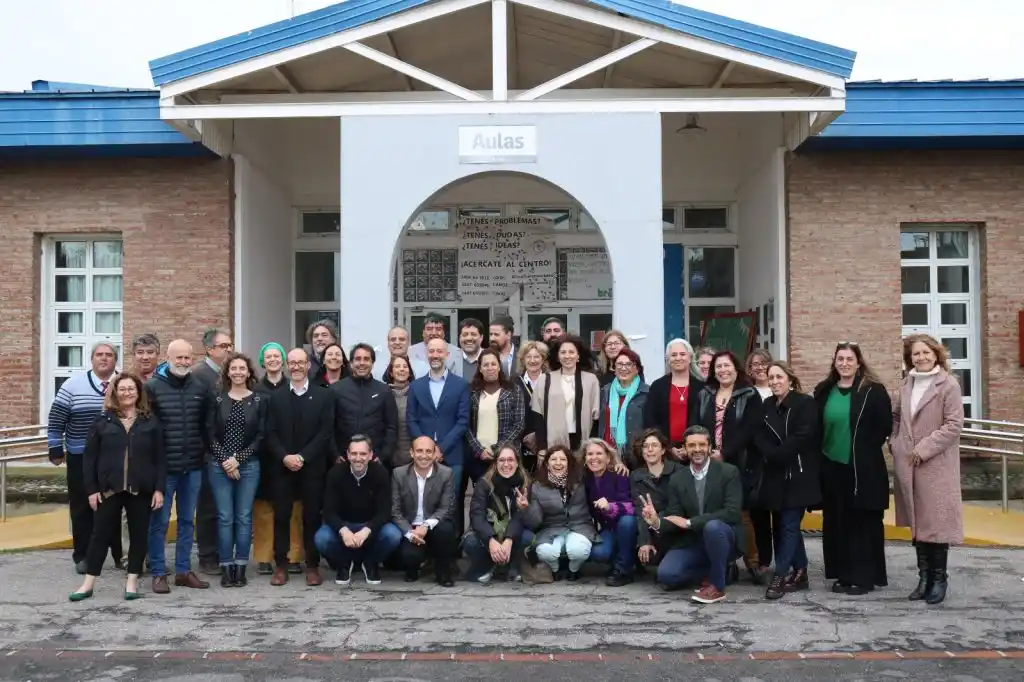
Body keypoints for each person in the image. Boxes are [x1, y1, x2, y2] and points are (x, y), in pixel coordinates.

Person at [69, 374, 164, 602]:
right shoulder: (102, 421)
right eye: (122, 389)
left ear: (138, 393)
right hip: (108, 489)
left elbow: (160, 458)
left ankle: (131, 581)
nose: (127, 393)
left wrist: (159, 489)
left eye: (131, 389)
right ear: (114, 392)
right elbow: (89, 458)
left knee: (139, 535)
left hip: (140, 489)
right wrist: (91, 490)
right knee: (99, 535)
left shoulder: (150, 422)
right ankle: (88, 583)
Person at [813, 342, 893, 595]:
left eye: (849, 359)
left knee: (863, 524)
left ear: (859, 362)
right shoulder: (824, 390)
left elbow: (884, 427)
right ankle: (844, 574)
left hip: (862, 469)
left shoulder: (873, 391)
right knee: (838, 522)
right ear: (834, 362)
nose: (844, 363)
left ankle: (864, 577)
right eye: (840, 359)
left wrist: (864, 452)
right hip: (832, 467)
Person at [891, 334, 964, 605]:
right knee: (918, 523)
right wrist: (895, 442)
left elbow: (954, 425)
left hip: (935, 464)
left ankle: (938, 578)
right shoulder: (907, 384)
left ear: (936, 354)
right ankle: (923, 578)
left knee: (936, 524)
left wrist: (924, 448)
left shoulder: (948, 385)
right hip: (908, 464)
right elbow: (896, 416)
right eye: (915, 354)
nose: (920, 358)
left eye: (925, 352)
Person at [641, 425, 744, 604]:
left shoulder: (728, 472)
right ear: (685, 448)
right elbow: (675, 516)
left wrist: (690, 522)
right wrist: (656, 522)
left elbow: (732, 513)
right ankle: (720, 571)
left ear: (710, 447)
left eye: (702, 445)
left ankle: (718, 587)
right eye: (692, 445)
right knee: (666, 575)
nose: (697, 449)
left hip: (722, 537)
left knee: (712, 526)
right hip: (693, 541)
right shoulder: (678, 479)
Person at [47, 342, 123, 574]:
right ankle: (83, 555)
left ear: (115, 360)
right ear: (91, 359)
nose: (104, 359)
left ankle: (120, 555)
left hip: (115, 459)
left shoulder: (125, 384)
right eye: (99, 355)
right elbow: (56, 418)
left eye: (109, 355)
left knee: (115, 508)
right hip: (80, 456)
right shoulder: (73, 385)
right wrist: (55, 448)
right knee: (82, 508)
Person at [145, 339, 213, 593]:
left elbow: (207, 425)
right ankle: (159, 573)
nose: (184, 362)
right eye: (179, 358)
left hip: (193, 465)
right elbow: (147, 428)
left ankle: (183, 570)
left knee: (187, 521)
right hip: (164, 469)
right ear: (168, 357)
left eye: (188, 358)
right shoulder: (152, 387)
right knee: (160, 522)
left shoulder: (200, 386)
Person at [752, 362, 821, 600]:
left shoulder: (805, 404)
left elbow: (803, 436)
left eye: (779, 377)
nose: (774, 381)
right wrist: (771, 455)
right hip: (774, 475)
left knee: (789, 525)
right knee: (784, 526)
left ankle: (780, 576)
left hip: (798, 475)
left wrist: (778, 455)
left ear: (790, 380)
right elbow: (758, 435)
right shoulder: (767, 405)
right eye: (771, 378)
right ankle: (800, 572)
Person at [266, 348, 335, 587]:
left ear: (308, 366)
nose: (295, 367)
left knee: (312, 517)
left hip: (312, 467)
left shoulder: (323, 396)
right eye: (291, 363)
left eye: (300, 363)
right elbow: (270, 433)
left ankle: (312, 566)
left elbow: (325, 433)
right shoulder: (275, 397)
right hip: (282, 467)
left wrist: (303, 457)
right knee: (282, 517)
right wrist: (285, 457)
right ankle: (281, 565)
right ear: (286, 366)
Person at [695, 350, 765, 584]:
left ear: (736, 369)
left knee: (741, 514)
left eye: (727, 366)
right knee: (716, 513)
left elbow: (749, 429)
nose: (723, 371)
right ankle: (727, 563)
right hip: (708, 462)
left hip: (739, 463)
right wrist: (705, 452)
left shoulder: (749, 394)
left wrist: (724, 453)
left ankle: (753, 562)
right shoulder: (705, 394)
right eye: (718, 367)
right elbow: (698, 425)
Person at [206, 353, 266, 588]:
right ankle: (225, 567)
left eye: (243, 368)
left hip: (249, 465)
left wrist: (238, 460)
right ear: (227, 372)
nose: (239, 372)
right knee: (224, 518)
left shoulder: (260, 400)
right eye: (234, 368)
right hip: (219, 465)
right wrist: (225, 461)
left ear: (249, 372)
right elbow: (209, 433)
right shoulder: (217, 399)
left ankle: (240, 567)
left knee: (243, 517)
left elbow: (261, 436)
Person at [314, 436, 402, 587]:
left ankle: (370, 562)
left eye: (362, 454)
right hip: (345, 525)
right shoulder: (335, 474)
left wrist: (367, 530)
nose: (358, 458)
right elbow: (329, 511)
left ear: (370, 455)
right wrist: (343, 530)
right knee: (322, 538)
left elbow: (384, 512)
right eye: (354, 454)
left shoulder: (380, 473)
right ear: (347, 455)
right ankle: (344, 562)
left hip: (370, 526)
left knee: (393, 535)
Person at [406, 337, 470, 534]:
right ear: (427, 354)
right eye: (431, 351)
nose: (435, 355)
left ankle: (454, 548)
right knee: (425, 502)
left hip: (452, 455)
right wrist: (426, 449)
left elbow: (463, 420)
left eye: (439, 351)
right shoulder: (416, 386)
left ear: (447, 355)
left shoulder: (460, 385)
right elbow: (411, 420)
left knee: (453, 503)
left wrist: (440, 448)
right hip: (423, 457)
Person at [252, 342, 303, 576]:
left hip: (288, 454)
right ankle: (263, 556)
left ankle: (293, 555)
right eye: (268, 356)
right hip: (263, 455)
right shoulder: (255, 389)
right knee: (264, 508)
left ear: (283, 360)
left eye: (277, 356)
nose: (273, 359)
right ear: (263, 361)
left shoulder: (293, 387)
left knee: (292, 507)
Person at [190, 327, 234, 576]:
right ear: (209, 349)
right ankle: (207, 556)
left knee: (224, 506)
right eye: (224, 346)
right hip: (206, 452)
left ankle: (223, 552)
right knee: (207, 506)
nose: (229, 350)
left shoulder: (229, 373)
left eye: (230, 346)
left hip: (229, 450)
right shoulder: (200, 375)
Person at [388, 435, 458, 586]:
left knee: (446, 530)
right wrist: (410, 533)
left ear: (435, 454)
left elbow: (446, 507)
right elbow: (396, 511)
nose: (424, 456)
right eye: (419, 451)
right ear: (412, 453)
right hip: (410, 527)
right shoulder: (399, 474)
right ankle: (413, 566)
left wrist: (425, 526)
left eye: (428, 451)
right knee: (409, 557)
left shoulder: (446, 474)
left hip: (434, 525)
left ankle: (443, 572)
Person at [522, 445, 596, 581]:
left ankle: (573, 569)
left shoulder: (582, 479)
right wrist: (526, 507)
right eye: (553, 459)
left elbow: (599, 465)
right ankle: (554, 569)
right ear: (547, 463)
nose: (558, 463)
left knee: (578, 551)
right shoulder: (537, 486)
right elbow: (534, 522)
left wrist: (619, 463)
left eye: (563, 459)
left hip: (579, 527)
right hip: (552, 529)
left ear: (569, 463)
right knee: (545, 552)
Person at [462, 442, 533, 583]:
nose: (506, 464)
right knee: (471, 542)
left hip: (512, 535)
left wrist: (509, 538)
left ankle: (511, 565)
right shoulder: (484, 484)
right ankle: (488, 565)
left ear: (517, 463)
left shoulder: (525, 484)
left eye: (510, 460)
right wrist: (491, 540)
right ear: (495, 463)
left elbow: (521, 520)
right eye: (501, 460)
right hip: (490, 532)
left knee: (528, 537)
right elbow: (477, 516)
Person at [465, 348, 527, 485]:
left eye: (493, 364)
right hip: (479, 456)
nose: (490, 368)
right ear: (480, 368)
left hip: (506, 456)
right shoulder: (471, 391)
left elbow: (519, 424)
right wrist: (479, 450)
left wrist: (497, 449)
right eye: (485, 365)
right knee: (482, 497)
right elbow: (466, 425)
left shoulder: (513, 389)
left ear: (499, 366)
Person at [531, 335, 601, 455]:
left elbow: (596, 418)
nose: (567, 356)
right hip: (553, 443)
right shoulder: (545, 380)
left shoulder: (591, 380)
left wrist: (592, 445)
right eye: (563, 352)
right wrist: (542, 447)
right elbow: (538, 417)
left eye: (571, 352)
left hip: (582, 442)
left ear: (578, 356)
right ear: (558, 356)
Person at [582, 439, 637, 586]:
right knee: (599, 553)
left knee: (627, 522)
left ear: (608, 457)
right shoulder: (586, 479)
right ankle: (627, 560)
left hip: (626, 527)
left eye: (599, 453)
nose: (594, 458)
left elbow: (631, 508)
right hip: (608, 529)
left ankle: (624, 570)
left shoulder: (619, 474)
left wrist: (610, 507)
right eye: (590, 454)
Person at [332, 343, 398, 466]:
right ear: (351, 363)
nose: (362, 363)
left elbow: (392, 427)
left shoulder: (384, 391)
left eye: (366, 359)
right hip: (344, 461)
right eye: (357, 359)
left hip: (375, 461)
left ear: (373, 363)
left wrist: (383, 456)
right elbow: (328, 426)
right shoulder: (336, 390)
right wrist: (335, 455)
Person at [644, 339, 705, 462]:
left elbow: (704, 420)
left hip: (695, 450)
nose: (678, 358)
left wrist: (688, 447)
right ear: (668, 359)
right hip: (664, 451)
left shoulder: (701, 387)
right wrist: (667, 447)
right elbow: (650, 420)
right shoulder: (657, 386)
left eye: (682, 354)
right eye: (673, 355)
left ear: (690, 357)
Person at [631, 429, 683, 568]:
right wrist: (644, 541)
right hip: (649, 527)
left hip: (674, 526)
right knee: (649, 557)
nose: (650, 450)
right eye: (646, 446)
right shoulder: (636, 476)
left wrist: (658, 519)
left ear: (663, 450)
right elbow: (639, 509)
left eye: (654, 445)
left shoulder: (679, 471)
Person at [597, 348, 649, 467]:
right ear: (614, 368)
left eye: (629, 364)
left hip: (634, 454)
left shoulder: (646, 392)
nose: (623, 368)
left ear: (637, 369)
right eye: (619, 364)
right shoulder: (605, 391)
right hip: (607, 453)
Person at [516, 340, 549, 470]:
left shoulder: (552, 381)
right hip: (521, 442)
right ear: (523, 360)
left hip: (546, 442)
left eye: (537, 356)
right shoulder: (514, 383)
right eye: (528, 357)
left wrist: (540, 437)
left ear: (543, 359)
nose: (533, 360)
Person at [386, 355, 416, 469]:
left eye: (405, 366)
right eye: (397, 366)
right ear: (391, 373)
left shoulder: (417, 394)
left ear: (410, 372)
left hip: (413, 457)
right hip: (389, 457)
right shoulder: (384, 394)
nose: (402, 369)